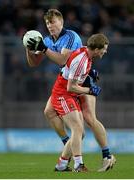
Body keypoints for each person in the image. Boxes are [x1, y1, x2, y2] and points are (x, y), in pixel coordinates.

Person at [25, 9, 116, 172]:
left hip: (80, 78)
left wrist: (45, 50)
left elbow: (63, 59)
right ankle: (69, 145)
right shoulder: (46, 40)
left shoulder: (70, 36)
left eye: (53, 22)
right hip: (70, 79)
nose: (50, 25)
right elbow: (33, 63)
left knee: (89, 119)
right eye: (47, 23)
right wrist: (29, 47)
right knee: (50, 113)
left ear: (61, 22)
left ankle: (106, 155)